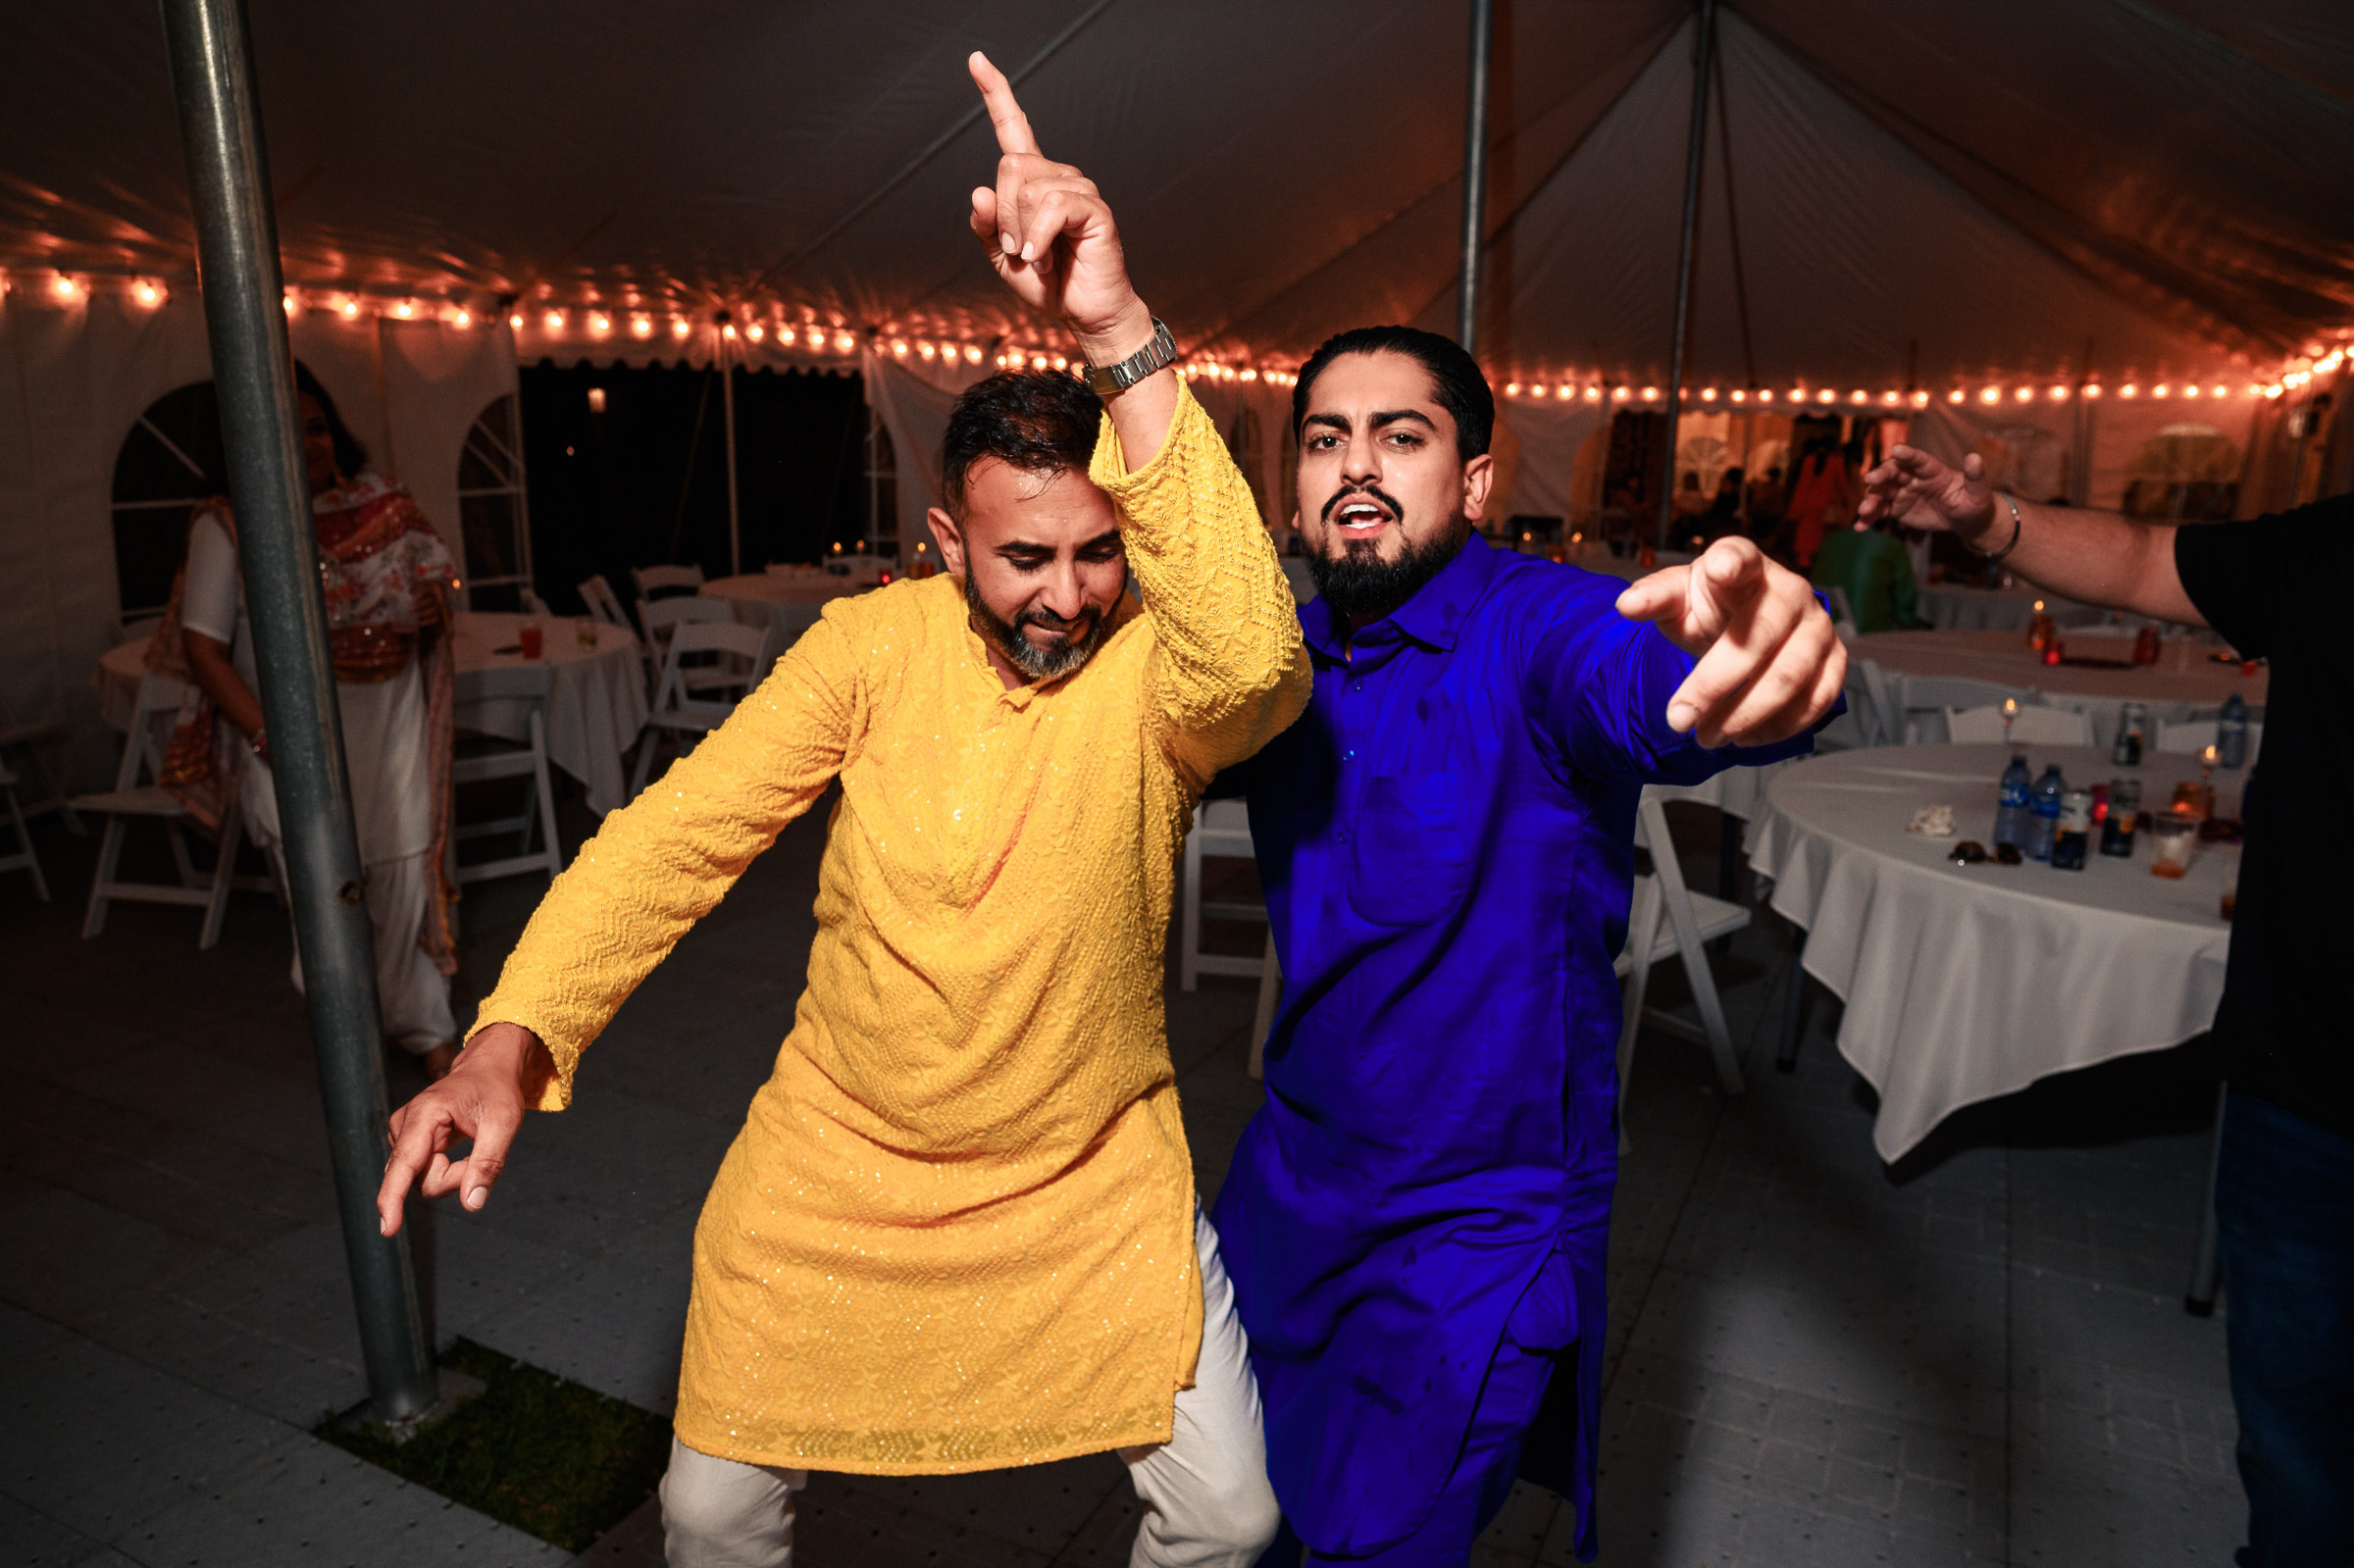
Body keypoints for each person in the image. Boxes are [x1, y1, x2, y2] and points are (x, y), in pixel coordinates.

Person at [375, 54, 1305, 1568]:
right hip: (842, 1164)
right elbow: (681, 832)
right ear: (949, 541)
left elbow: (1261, 655)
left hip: (1089, 1164)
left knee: (1229, 1512)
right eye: (1023, 559)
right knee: (709, 1509)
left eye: (1094, 552)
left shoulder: (1161, 667)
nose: (1064, 594)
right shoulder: (867, 650)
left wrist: (1120, 328)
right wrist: (509, 1032)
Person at [1208, 326, 1847, 1564]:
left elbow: (1640, 669)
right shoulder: (1272, 660)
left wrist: (1765, 643)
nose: (1358, 467)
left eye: (1404, 437)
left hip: (1472, 1229)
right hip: (1287, 1189)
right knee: (1240, 1517)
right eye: (1328, 439)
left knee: (1376, 1540)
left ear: (1478, 481)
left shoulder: (1533, 627)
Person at [1859, 446, 2352, 1568]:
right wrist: (1987, 520)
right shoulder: (2333, 542)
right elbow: (2140, 559)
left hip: (2299, 1080)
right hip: (2305, 1088)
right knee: (2297, 1462)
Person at [150, 363, 463, 1076]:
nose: (310, 443)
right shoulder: (232, 524)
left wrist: (428, 609)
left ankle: (426, 1031)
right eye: (288, 430)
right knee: (328, 902)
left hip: (389, 736)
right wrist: (272, 739)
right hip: (294, 746)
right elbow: (203, 650)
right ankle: (355, 1047)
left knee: (401, 881)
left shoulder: (384, 508)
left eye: (318, 426)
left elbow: (436, 591)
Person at [1808, 511, 1923, 632]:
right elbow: (1905, 599)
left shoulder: (1828, 541)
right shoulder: (1889, 545)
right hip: (1872, 631)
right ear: (1887, 525)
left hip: (1825, 625)